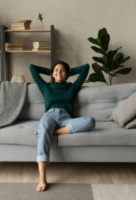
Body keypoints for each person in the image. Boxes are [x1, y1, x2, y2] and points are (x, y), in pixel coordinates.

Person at [29, 60, 96, 192]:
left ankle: (52, 132)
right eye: (56, 70)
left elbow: (85, 68)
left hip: (66, 118)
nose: (59, 72)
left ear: (66, 75)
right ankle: (42, 178)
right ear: (52, 74)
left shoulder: (72, 87)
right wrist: (53, 70)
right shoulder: (45, 86)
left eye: (62, 70)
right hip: (49, 116)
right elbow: (32, 67)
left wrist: (68, 71)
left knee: (90, 121)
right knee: (44, 128)